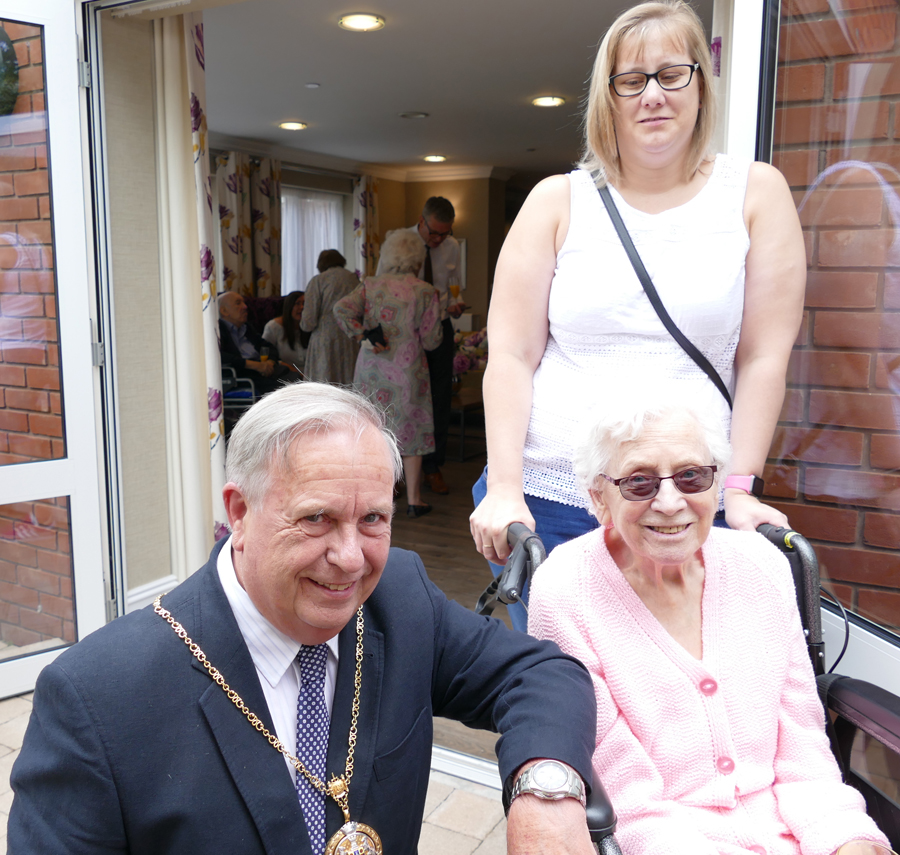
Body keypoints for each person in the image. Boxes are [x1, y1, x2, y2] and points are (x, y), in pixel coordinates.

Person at [8, 382, 598, 855]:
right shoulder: (98, 695)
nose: (350, 558)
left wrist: (544, 791)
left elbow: (541, 674)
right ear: (240, 511)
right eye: (316, 519)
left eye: (372, 519)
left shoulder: (399, 597)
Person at [469, 0, 806, 628]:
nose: (652, 95)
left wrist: (739, 490)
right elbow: (511, 356)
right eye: (631, 80)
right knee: (569, 690)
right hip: (555, 495)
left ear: (702, 84)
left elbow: (764, 357)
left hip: (684, 500)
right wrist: (506, 488)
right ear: (610, 98)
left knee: (673, 682)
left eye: (671, 74)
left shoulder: (755, 193)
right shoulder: (556, 201)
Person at [528, 392, 890, 855]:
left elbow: (804, 752)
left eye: (691, 476)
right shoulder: (566, 592)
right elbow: (627, 796)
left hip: (792, 832)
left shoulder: (762, 566)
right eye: (639, 482)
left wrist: (846, 837)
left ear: (717, 484)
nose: (670, 502)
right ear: (599, 497)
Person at [333, 229, 442, 518]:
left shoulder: (370, 285)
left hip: (372, 368)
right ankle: (415, 500)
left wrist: (362, 335)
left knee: (373, 427)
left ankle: (377, 498)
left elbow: (341, 309)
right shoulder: (425, 291)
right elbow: (432, 340)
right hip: (409, 371)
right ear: (417, 258)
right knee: (413, 431)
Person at [393, 196, 464, 496]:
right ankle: (398, 470)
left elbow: (455, 286)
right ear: (421, 222)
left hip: (441, 325)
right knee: (404, 397)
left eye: (444, 234)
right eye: (433, 232)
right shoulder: (399, 242)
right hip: (406, 331)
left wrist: (457, 303)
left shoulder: (452, 247)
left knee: (440, 396)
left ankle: (434, 466)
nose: (438, 239)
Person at [300, 249, 359, 385]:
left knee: (324, 385)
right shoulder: (353, 279)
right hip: (350, 337)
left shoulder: (318, 281)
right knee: (348, 384)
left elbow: (308, 321)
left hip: (325, 339)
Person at [219, 290, 289, 395]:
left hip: (261, 371)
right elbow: (221, 356)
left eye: (244, 302)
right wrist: (254, 365)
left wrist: (269, 362)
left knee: (292, 377)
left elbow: (268, 346)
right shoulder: (218, 330)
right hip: (242, 375)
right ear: (224, 311)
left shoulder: (246, 327)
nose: (245, 306)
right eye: (238, 303)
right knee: (284, 388)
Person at [263, 290, 307, 374]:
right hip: (286, 374)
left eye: (304, 304)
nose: (302, 307)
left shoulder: (311, 327)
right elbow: (266, 356)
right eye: (297, 303)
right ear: (289, 306)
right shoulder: (273, 327)